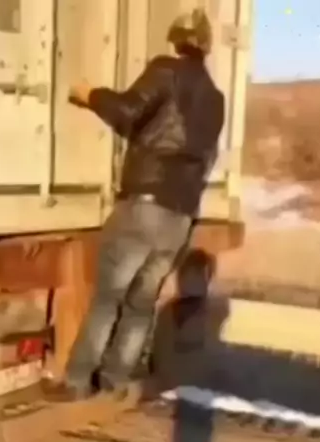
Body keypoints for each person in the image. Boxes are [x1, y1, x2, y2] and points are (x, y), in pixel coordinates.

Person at [46, 8, 225, 404]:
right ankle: (114, 380)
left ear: (176, 40)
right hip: (180, 215)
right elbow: (208, 155)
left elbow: (127, 112)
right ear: (207, 47)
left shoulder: (165, 71)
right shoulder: (216, 99)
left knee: (108, 297)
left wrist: (90, 95)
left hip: (144, 204)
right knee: (141, 303)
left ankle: (77, 381)